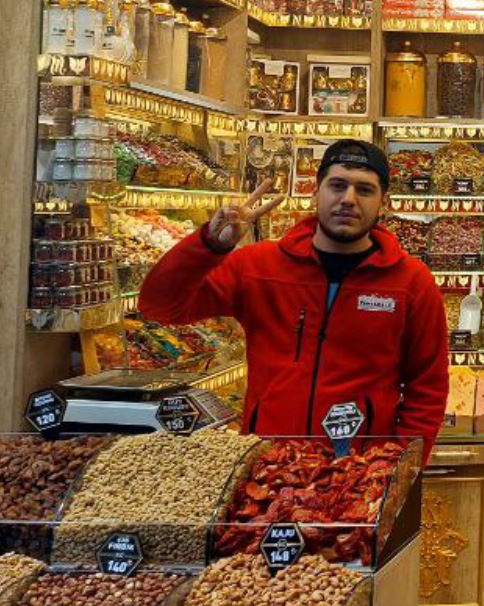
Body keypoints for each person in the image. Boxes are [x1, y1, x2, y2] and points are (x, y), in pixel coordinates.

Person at [140, 139, 450, 451]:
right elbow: (160, 307)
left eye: (365, 190)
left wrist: (398, 464)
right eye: (337, 185)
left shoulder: (411, 282)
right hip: (268, 463)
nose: (348, 199)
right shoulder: (257, 266)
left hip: (358, 469)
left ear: (384, 201)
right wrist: (210, 245)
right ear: (315, 192)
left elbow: (428, 388)